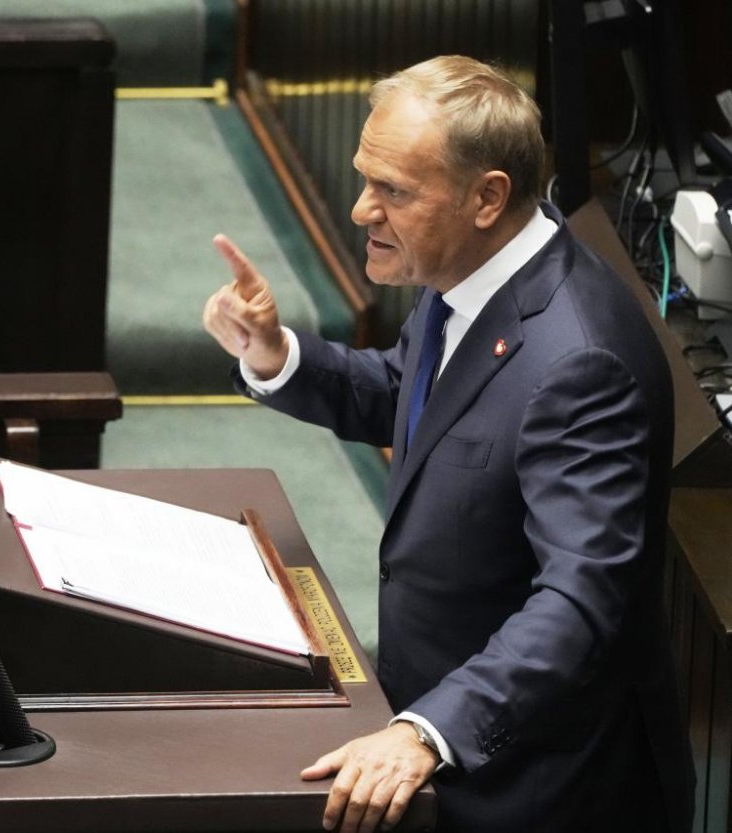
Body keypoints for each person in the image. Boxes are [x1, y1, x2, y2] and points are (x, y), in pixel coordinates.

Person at [203, 55, 694, 833]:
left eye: (393, 191)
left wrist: (426, 731)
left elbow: (580, 597)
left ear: (487, 197)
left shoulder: (579, 362)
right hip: (455, 738)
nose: (362, 209)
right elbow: (417, 395)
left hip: (541, 788)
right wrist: (275, 354)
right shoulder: (473, 277)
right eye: (366, 178)